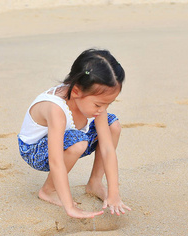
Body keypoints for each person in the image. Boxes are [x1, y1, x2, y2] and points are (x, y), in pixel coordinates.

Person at [18, 49, 131, 219]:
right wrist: (69, 206)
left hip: (71, 140)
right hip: (36, 151)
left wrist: (114, 193)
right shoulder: (55, 109)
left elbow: (107, 149)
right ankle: (48, 190)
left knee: (112, 125)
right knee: (78, 142)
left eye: (108, 104)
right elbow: (55, 161)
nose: (103, 110)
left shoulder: (95, 106)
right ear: (77, 91)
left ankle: (94, 183)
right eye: (99, 104)